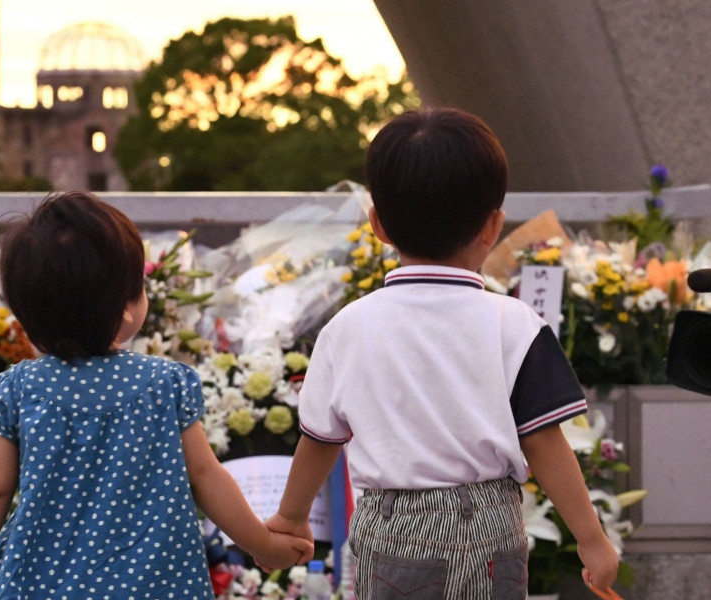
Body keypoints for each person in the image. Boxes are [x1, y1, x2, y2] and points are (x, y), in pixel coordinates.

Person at [265, 108, 620, 598]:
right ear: (493, 227)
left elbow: (321, 439)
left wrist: (291, 516)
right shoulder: (515, 324)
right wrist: (592, 539)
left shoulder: (346, 328)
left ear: (378, 225)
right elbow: (544, 443)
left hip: (387, 524)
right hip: (488, 527)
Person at [0, 191, 313, 600]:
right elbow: (206, 477)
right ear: (127, 309)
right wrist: (263, 544)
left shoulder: (18, 390)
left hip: (40, 584)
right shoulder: (161, 385)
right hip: (152, 584)